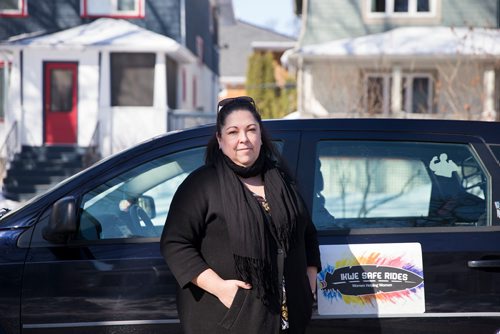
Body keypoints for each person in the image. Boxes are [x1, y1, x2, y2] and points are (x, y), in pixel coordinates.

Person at [160, 96, 321, 334]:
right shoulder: (202, 184)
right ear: (220, 139)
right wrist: (221, 288)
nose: (243, 139)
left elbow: (306, 231)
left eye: (251, 130)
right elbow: (175, 243)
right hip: (228, 320)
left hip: (288, 320)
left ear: (260, 136)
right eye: (233, 132)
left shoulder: (281, 180)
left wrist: (309, 276)